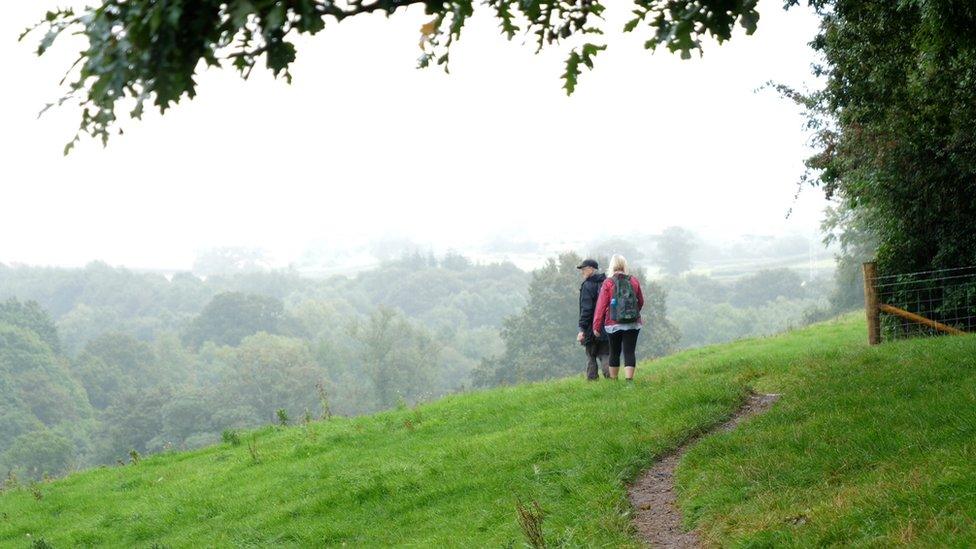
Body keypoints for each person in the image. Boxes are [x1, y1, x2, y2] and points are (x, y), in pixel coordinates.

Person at [592, 254, 644, 382]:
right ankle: (629, 382)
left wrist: (596, 326)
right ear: (624, 265)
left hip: (612, 324)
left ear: (612, 266)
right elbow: (641, 302)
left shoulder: (608, 282)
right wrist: (632, 314)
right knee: (629, 352)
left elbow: (601, 306)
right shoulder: (634, 281)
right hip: (633, 323)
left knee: (614, 352)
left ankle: (614, 382)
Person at [577, 258, 610, 380]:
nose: (582, 272)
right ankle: (611, 380)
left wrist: (582, 329)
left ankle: (592, 382)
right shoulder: (606, 282)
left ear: (591, 269)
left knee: (591, 355)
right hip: (606, 326)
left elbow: (586, 309)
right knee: (605, 354)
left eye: (584, 269)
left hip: (591, 327)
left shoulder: (587, 285)